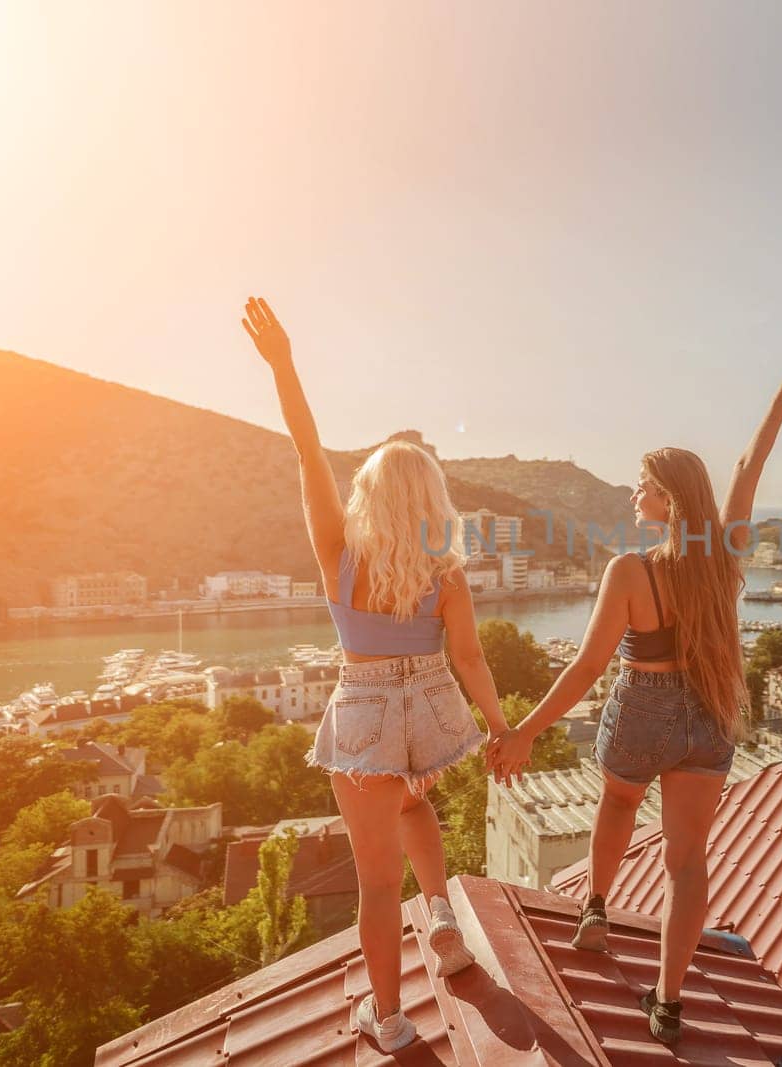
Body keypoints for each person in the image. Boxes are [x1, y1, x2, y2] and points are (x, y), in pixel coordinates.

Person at [488, 358, 782, 1044]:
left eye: (643, 484)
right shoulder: (723, 554)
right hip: (708, 714)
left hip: (642, 710)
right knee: (686, 860)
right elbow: (746, 464)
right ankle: (669, 1001)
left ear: (668, 499)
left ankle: (595, 905)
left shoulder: (630, 570)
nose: (633, 492)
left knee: (617, 801)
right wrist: (780, 403)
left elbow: (588, 667)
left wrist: (524, 730)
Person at [241, 296, 511, 1053]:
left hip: (362, 707)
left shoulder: (340, 555)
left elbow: (306, 450)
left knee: (372, 880)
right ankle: (445, 912)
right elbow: (470, 660)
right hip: (429, 702)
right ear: (430, 500)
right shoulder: (447, 571)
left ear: (368, 496)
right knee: (415, 802)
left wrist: (284, 366)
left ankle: (389, 1018)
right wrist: (500, 727)